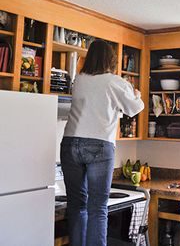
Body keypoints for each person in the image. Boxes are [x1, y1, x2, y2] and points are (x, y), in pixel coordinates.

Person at [60, 40, 144, 246]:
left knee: (76, 205)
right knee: (97, 208)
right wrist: (137, 95)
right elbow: (134, 108)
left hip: (70, 143)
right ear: (111, 60)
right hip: (99, 145)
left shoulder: (79, 79)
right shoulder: (115, 81)